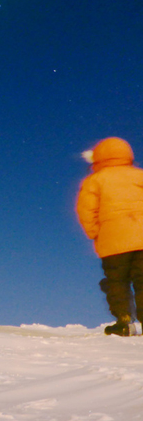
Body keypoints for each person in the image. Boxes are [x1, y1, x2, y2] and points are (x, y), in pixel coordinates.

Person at [76, 137, 143, 336]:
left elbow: (86, 211)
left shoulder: (95, 180)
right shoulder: (140, 176)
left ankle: (124, 321)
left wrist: (95, 233)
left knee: (117, 281)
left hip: (113, 242)